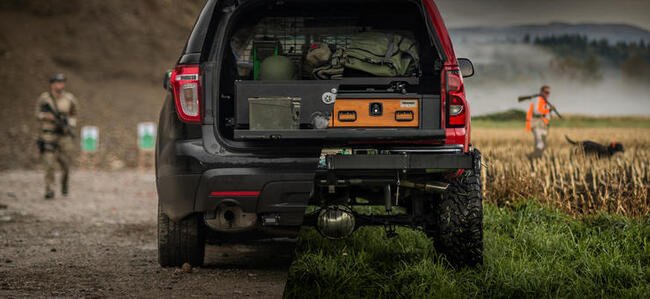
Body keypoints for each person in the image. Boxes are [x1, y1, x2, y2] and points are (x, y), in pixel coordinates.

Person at [35, 74, 78, 199]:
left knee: (65, 163)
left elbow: (74, 114)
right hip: (48, 134)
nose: (60, 85)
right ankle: (50, 189)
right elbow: (37, 113)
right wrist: (45, 116)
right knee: (49, 163)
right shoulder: (44, 98)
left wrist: (69, 124)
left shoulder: (70, 99)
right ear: (52, 84)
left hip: (64, 136)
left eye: (62, 82)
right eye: (58, 82)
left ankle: (64, 184)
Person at [526, 85, 551, 159]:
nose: (547, 94)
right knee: (540, 144)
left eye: (548, 93)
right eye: (546, 92)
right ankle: (532, 158)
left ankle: (537, 158)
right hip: (537, 124)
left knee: (543, 145)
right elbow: (536, 111)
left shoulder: (545, 101)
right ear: (541, 92)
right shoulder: (538, 99)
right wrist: (547, 111)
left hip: (543, 125)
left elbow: (547, 115)